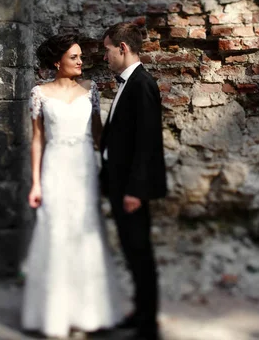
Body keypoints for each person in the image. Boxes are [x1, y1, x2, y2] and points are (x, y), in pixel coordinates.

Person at [21, 33, 122, 338]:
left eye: (81, 57)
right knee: (55, 232)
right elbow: (37, 139)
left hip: (84, 168)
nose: (81, 62)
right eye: (74, 57)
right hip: (55, 168)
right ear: (57, 62)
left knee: (85, 231)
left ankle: (87, 313)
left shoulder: (91, 91)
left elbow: (99, 135)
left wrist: (112, 170)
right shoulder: (39, 93)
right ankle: (54, 314)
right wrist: (36, 183)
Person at [98, 22, 167, 340]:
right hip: (119, 182)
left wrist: (136, 190)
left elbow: (147, 142)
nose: (105, 56)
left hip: (130, 188)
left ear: (122, 48)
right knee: (131, 250)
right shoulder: (128, 82)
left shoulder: (142, 84)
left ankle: (148, 325)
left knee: (140, 252)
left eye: (107, 49)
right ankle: (140, 312)